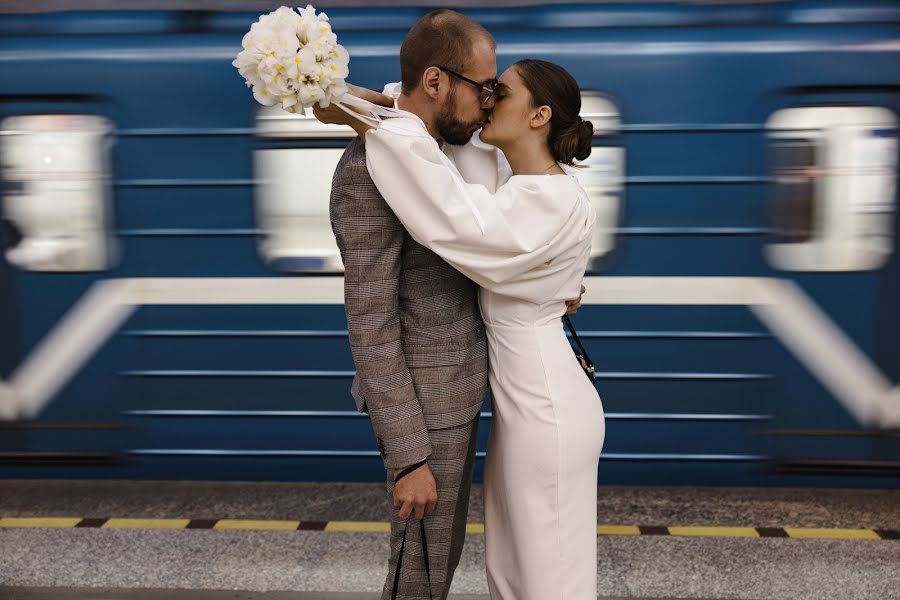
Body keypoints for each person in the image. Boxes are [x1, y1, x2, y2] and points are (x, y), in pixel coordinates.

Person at [319, 58, 604, 599]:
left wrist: (370, 123)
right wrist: (356, 103)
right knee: (516, 568)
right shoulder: (512, 180)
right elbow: (437, 140)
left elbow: (447, 210)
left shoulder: (550, 198)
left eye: (503, 93)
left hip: (548, 409)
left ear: (539, 115)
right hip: (527, 404)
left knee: (550, 573)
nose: (489, 101)